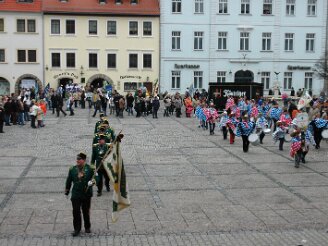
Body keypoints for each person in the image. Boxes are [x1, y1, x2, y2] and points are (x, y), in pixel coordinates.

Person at [65, 152, 94, 236]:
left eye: (79, 159)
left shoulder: (90, 169)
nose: (77, 160)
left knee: (85, 211)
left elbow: (96, 177)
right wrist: (67, 191)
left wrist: (92, 182)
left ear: (84, 160)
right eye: (77, 159)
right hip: (76, 194)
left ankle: (87, 226)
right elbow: (69, 180)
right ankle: (77, 229)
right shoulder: (73, 169)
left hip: (86, 194)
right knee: (76, 212)